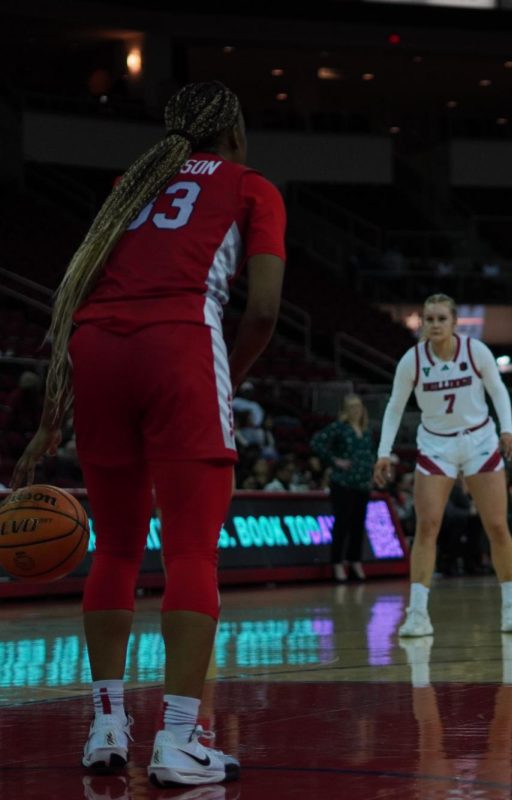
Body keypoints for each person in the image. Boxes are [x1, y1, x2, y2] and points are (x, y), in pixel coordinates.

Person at [13, 82, 284, 786]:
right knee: (192, 550)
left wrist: (52, 412)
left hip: (96, 349)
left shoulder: (131, 185)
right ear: (234, 131)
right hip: (176, 345)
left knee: (117, 547)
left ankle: (106, 726)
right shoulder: (252, 187)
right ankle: (177, 740)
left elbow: (81, 286)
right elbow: (261, 311)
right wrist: (231, 376)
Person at [374, 293, 512, 636]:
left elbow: (498, 390)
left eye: (442, 319)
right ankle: (417, 614)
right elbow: (395, 407)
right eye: (429, 320)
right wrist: (384, 451)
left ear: (455, 322)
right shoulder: (412, 360)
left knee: (498, 527)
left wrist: (508, 430)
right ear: (422, 324)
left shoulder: (476, 351)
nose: (435, 325)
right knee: (427, 527)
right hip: (436, 445)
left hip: (480, 441)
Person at [311, 394, 377, 582]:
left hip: (363, 484)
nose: (356, 410)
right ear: (345, 410)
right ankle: (337, 563)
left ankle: (355, 561)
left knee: (358, 525)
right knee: (342, 524)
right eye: (352, 407)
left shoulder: (366, 430)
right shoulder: (339, 428)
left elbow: (370, 454)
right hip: (343, 483)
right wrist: (334, 460)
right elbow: (317, 442)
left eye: (358, 406)